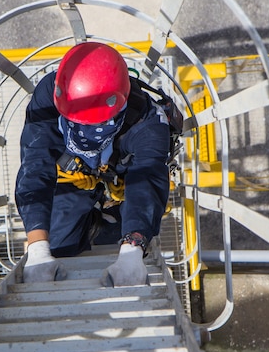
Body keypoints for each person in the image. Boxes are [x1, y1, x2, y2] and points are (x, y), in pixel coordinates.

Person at [14, 42, 171, 287]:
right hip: (74, 174)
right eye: (75, 121)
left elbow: (147, 181)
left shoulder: (148, 124)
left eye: (94, 124)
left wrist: (132, 250)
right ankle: (90, 221)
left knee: (126, 231)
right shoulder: (49, 94)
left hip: (123, 181)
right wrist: (37, 248)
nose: (84, 129)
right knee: (58, 245)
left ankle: (110, 219)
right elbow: (35, 162)